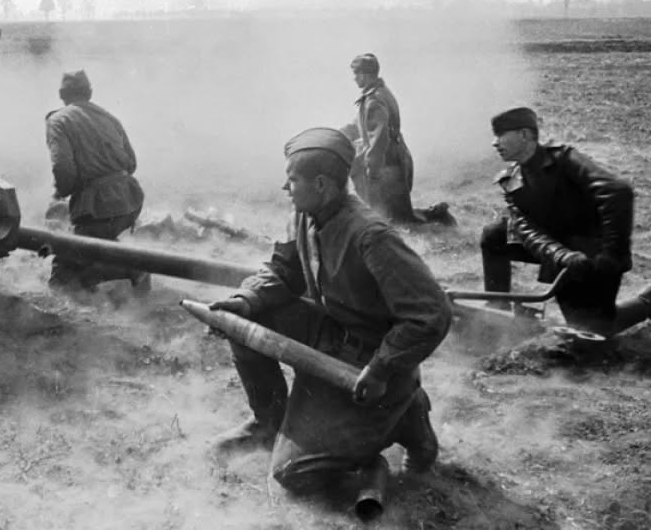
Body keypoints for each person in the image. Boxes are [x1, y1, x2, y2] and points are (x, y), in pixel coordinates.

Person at [208, 127, 451, 504]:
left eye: (292, 179)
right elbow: (283, 270)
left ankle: (406, 416)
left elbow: (431, 313)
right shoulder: (305, 215)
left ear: (321, 184)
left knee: (293, 474)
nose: (285, 188)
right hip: (329, 334)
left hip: (367, 363)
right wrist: (246, 300)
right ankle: (268, 424)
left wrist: (382, 368)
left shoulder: (371, 236)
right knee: (244, 326)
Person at [481, 107, 634, 333]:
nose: (495, 143)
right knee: (495, 234)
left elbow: (617, 192)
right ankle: (497, 307)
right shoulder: (511, 180)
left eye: (501, 135)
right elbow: (526, 230)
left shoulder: (564, 159)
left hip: (593, 253)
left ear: (524, 134)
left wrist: (611, 255)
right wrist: (561, 255)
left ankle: (646, 301)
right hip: (565, 253)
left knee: (593, 330)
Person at [45, 70, 150, 294]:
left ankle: (132, 268)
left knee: (63, 275)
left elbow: (62, 168)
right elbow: (131, 163)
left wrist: (61, 193)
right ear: (89, 93)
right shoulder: (109, 117)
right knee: (96, 245)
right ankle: (126, 267)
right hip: (130, 202)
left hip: (98, 209)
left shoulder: (58, 120)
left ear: (62, 95)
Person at [340, 53, 419, 223]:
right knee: (394, 215)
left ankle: (438, 216)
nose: (354, 78)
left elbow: (379, 139)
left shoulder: (374, 100)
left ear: (366, 74)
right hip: (391, 160)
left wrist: (373, 171)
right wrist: (338, 135)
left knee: (391, 217)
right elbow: (359, 125)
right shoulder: (377, 94)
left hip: (387, 165)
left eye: (356, 74)